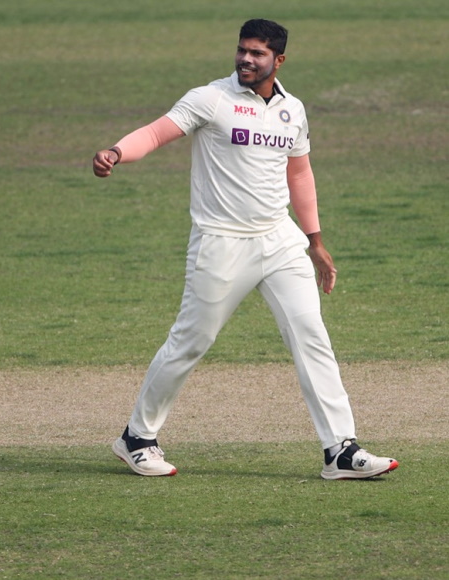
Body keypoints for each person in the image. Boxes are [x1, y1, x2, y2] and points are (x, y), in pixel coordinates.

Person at [93, 20, 399, 481]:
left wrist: (315, 241)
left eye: (257, 54)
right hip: (221, 240)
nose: (246, 60)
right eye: (242, 51)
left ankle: (339, 449)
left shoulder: (292, 109)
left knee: (310, 333)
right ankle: (137, 437)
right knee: (192, 340)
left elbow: (299, 174)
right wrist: (116, 152)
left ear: (278, 60)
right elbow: (155, 134)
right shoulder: (210, 98)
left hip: (280, 238)